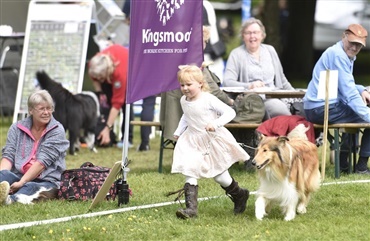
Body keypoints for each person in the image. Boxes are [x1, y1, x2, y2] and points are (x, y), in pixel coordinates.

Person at [170, 64, 250, 219]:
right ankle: (191, 209)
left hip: (211, 140)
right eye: (182, 85)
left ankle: (240, 195)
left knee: (220, 176)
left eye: (189, 84)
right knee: (189, 170)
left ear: (200, 83)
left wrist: (216, 123)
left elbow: (230, 112)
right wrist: (179, 131)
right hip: (192, 140)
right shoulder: (183, 100)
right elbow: (186, 116)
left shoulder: (208, 99)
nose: (185, 88)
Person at [303, 23, 370, 174]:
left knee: (356, 111)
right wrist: (367, 114)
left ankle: (344, 163)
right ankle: (361, 167)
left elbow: (345, 84)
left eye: (358, 45)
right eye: (352, 42)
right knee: (363, 114)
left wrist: (362, 90)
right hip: (321, 107)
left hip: (318, 106)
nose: (354, 47)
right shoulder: (339, 55)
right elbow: (349, 94)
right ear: (344, 36)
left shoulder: (339, 52)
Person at [160, 26, 234, 143]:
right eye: (204, 41)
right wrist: (230, 102)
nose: (205, 45)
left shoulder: (177, 55)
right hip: (194, 123)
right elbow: (213, 90)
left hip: (173, 114)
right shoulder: (196, 62)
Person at [0, 90, 69, 205]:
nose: (47, 112)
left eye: (49, 108)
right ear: (31, 110)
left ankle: (10, 200)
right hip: (18, 175)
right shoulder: (16, 128)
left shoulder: (57, 130)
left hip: (46, 180)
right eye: (42, 109)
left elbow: (42, 163)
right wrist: (3, 175)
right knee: (3, 175)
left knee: (30, 186)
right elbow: (8, 155)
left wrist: (22, 182)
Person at [223, 17, 294, 119]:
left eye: (255, 32)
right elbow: (227, 82)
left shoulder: (270, 50)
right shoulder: (236, 54)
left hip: (274, 96)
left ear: (262, 35)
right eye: (248, 33)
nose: (252, 36)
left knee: (300, 109)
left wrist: (296, 96)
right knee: (282, 113)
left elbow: (282, 80)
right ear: (243, 36)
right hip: (252, 100)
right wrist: (249, 86)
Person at [88, 44, 132, 147]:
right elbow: (94, 78)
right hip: (109, 70)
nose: (99, 79)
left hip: (128, 72)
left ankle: (127, 139)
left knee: (126, 104)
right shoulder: (94, 64)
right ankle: (106, 134)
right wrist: (100, 93)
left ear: (107, 73)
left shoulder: (120, 74)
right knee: (106, 103)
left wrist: (107, 128)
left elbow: (117, 103)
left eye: (101, 77)